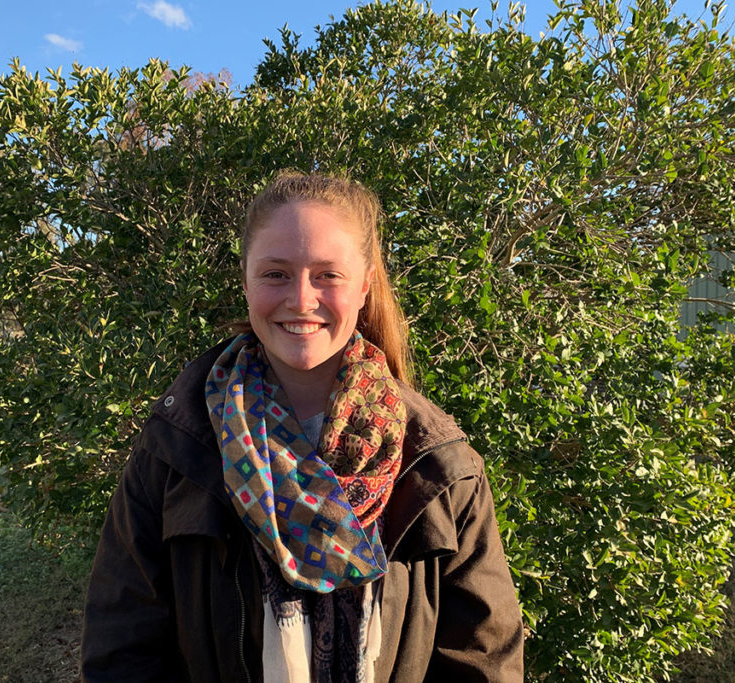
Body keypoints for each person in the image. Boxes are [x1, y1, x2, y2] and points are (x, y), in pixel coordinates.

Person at [81, 171, 524, 682]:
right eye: (275, 274)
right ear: (245, 280)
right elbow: (122, 650)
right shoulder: (178, 445)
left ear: (364, 286)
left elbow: (483, 661)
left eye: (327, 275)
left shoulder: (439, 467)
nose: (300, 299)